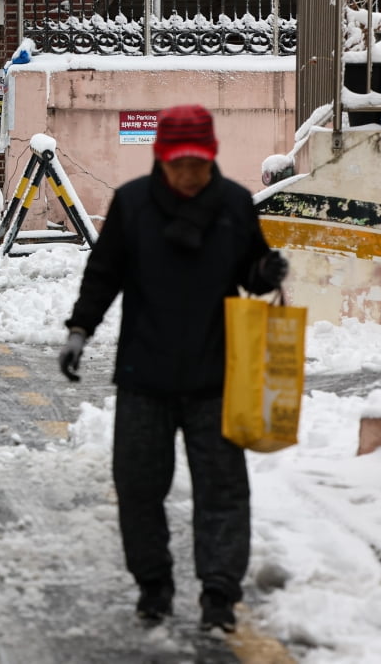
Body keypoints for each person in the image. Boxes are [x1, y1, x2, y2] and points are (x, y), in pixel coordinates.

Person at [58, 104, 288, 633]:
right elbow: (104, 273)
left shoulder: (232, 204)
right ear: (161, 157)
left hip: (215, 378)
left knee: (223, 492)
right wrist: (78, 331)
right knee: (138, 488)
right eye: (179, 162)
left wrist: (265, 269)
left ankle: (219, 596)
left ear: (212, 157)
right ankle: (154, 588)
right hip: (145, 378)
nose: (188, 173)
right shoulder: (133, 204)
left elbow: (251, 273)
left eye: (198, 163)